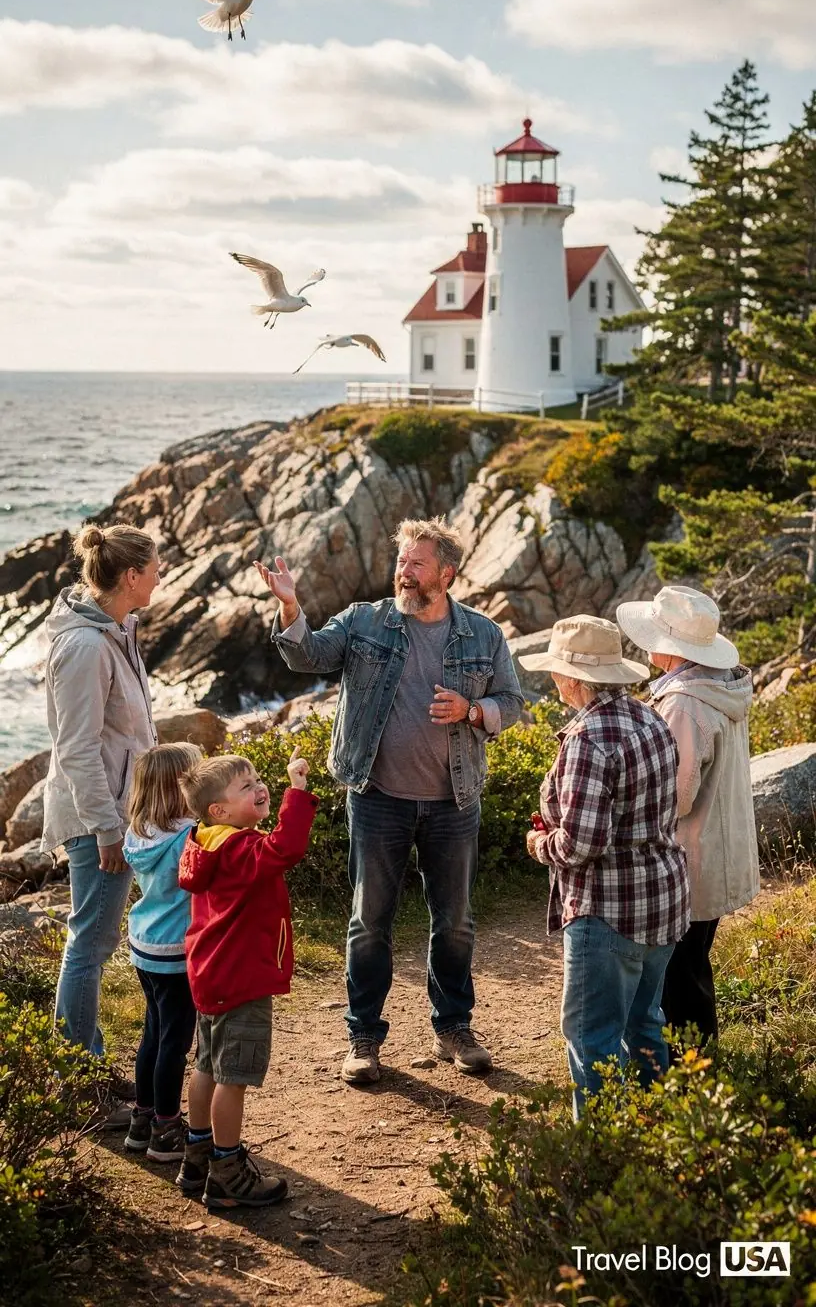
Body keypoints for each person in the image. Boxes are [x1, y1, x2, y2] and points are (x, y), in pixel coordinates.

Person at [255, 516, 524, 1086]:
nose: (404, 570)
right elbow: (307, 657)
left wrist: (474, 712)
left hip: (454, 801)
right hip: (377, 799)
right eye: (401, 561)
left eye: (416, 562)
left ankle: (454, 1028)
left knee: (453, 923)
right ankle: (363, 1038)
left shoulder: (482, 635)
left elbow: (513, 701)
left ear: (445, 574)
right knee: (368, 923)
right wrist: (289, 605)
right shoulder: (363, 621)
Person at [520, 615, 690, 1119]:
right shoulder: (650, 717)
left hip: (608, 908)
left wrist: (539, 843)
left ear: (574, 679)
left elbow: (583, 844)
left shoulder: (588, 738)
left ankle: (605, 1151)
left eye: (556, 672)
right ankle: (658, 1135)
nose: (553, 681)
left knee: (591, 1035)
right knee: (644, 1024)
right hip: (662, 898)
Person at [42, 523, 160, 1123]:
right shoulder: (87, 645)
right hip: (98, 818)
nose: (161, 574)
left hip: (117, 808)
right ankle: (76, 1083)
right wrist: (109, 829)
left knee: (95, 940)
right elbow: (77, 748)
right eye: (155, 566)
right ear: (132, 577)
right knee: (88, 946)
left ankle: (84, 1062)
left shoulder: (116, 628)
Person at [174, 749, 317, 1210]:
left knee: (205, 1067)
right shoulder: (241, 848)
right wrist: (297, 792)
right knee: (231, 1079)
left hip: (211, 974)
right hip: (243, 979)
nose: (259, 787)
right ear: (219, 810)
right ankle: (227, 1173)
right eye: (246, 786)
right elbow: (285, 849)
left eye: (258, 778)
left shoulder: (206, 841)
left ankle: (195, 1157)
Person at [616, 585, 760, 1042]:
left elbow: (674, 795)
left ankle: (687, 1079)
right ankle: (701, 1073)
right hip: (718, 850)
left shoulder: (685, 703)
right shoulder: (722, 686)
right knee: (693, 965)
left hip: (689, 858)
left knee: (678, 975)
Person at [122, 742, 202, 1162]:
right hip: (176, 951)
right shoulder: (189, 835)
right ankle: (167, 1128)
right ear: (182, 787)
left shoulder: (139, 832)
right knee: (175, 1040)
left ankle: (143, 1118)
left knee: (153, 1033)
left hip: (144, 944)